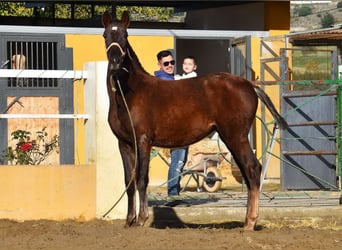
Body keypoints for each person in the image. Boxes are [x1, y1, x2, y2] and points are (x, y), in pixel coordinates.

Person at [154, 50, 189, 196]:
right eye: (166, 63)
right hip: (174, 127)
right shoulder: (165, 81)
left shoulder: (171, 79)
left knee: (180, 160)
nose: (170, 65)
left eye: (172, 62)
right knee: (178, 160)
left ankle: (174, 192)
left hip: (176, 125)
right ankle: (173, 193)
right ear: (160, 65)